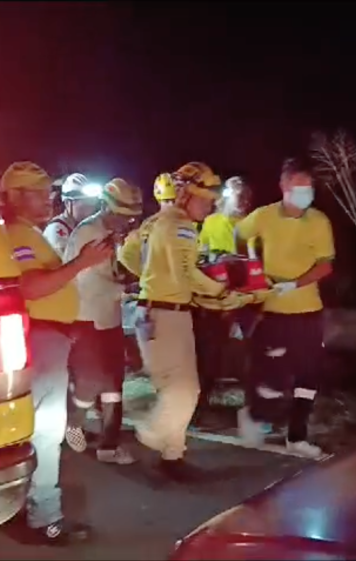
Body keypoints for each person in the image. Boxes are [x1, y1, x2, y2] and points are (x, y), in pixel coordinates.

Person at [0, 161, 112, 544]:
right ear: (16, 197)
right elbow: (31, 288)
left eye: (49, 191)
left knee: (40, 429)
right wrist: (82, 263)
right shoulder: (18, 235)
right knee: (45, 431)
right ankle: (44, 517)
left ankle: (26, 510)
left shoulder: (27, 233)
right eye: (39, 192)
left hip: (49, 338)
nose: (49, 198)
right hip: (41, 338)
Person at [131, 161, 254, 481]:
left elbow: (127, 258)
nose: (211, 203)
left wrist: (152, 280)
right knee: (184, 390)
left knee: (177, 387)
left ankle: (173, 456)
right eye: (205, 197)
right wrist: (222, 290)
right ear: (186, 195)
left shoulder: (156, 222)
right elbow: (187, 273)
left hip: (162, 310)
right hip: (166, 314)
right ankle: (150, 432)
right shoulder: (181, 226)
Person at [235, 157, 335, 459]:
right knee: (273, 377)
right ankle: (255, 415)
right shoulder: (264, 216)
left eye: (309, 187)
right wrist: (252, 270)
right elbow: (240, 236)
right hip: (273, 311)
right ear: (283, 186)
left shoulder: (318, 221)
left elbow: (325, 265)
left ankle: (297, 437)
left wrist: (294, 283)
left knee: (309, 376)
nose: (304, 192)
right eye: (298, 186)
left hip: (308, 310)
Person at [63, 178, 144, 465]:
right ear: (106, 207)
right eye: (123, 215)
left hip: (108, 319)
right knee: (89, 384)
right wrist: (127, 290)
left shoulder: (109, 232)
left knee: (113, 383)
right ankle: (73, 424)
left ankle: (109, 445)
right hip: (87, 319)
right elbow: (88, 283)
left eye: (132, 216)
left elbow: (111, 274)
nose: (128, 221)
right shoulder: (90, 233)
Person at [193, 176, 254, 407]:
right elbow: (201, 255)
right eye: (239, 195)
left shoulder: (252, 223)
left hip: (247, 293)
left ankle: (254, 403)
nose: (244, 200)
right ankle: (201, 400)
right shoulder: (211, 222)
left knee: (252, 347)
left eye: (246, 196)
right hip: (217, 294)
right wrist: (217, 259)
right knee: (211, 348)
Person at [43, 173, 101, 257]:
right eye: (84, 205)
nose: (90, 210)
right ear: (67, 203)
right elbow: (66, 263)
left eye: (92, 205)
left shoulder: (82, 227)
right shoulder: (57, 229)